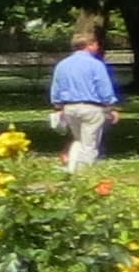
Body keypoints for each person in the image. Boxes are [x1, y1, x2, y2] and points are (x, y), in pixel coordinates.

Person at [50, 24, 123, 169]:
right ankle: (84, 172)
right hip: (91, 108)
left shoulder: (62, 65)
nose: (97, 47)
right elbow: (104, 88)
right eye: (96, 44)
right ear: (89, 45)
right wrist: (111, 108)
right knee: (90, 143)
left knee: (79, 140)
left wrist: (58, 106)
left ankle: (73, 164)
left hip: (70, 107)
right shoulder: (96, 65)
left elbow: (56, 87)